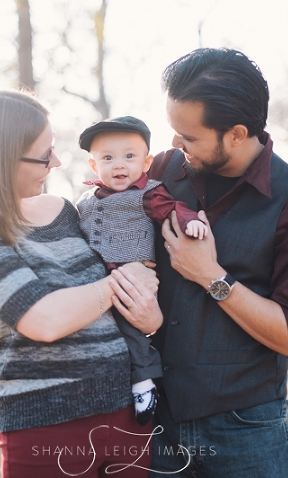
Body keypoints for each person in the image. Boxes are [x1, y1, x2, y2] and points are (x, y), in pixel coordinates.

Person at [0, 90, 163, 478]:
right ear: (2, 156)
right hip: (47, 425)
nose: (56, 163)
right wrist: (119, 284)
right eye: (45, 155)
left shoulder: (65, 211)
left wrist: (149, 315)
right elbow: (43, 319)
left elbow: (134, 311)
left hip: (126, 415)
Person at [145, 48, 288, 477]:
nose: (175, 145)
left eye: (188, 137)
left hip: (245, 429)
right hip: (155, 422)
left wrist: (211, 276)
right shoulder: (162, 171)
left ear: (235, 133)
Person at [76, 116, 207, 426]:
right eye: (108, 158)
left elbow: (173, 208)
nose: (119, 165)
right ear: (95, 166)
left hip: (133, 274)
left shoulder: (149, 193)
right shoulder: (84, 201)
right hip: (94, 278)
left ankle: (144, 383)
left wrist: (191, 221)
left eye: (129, 157)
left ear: (146, 162)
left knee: (129, 325)